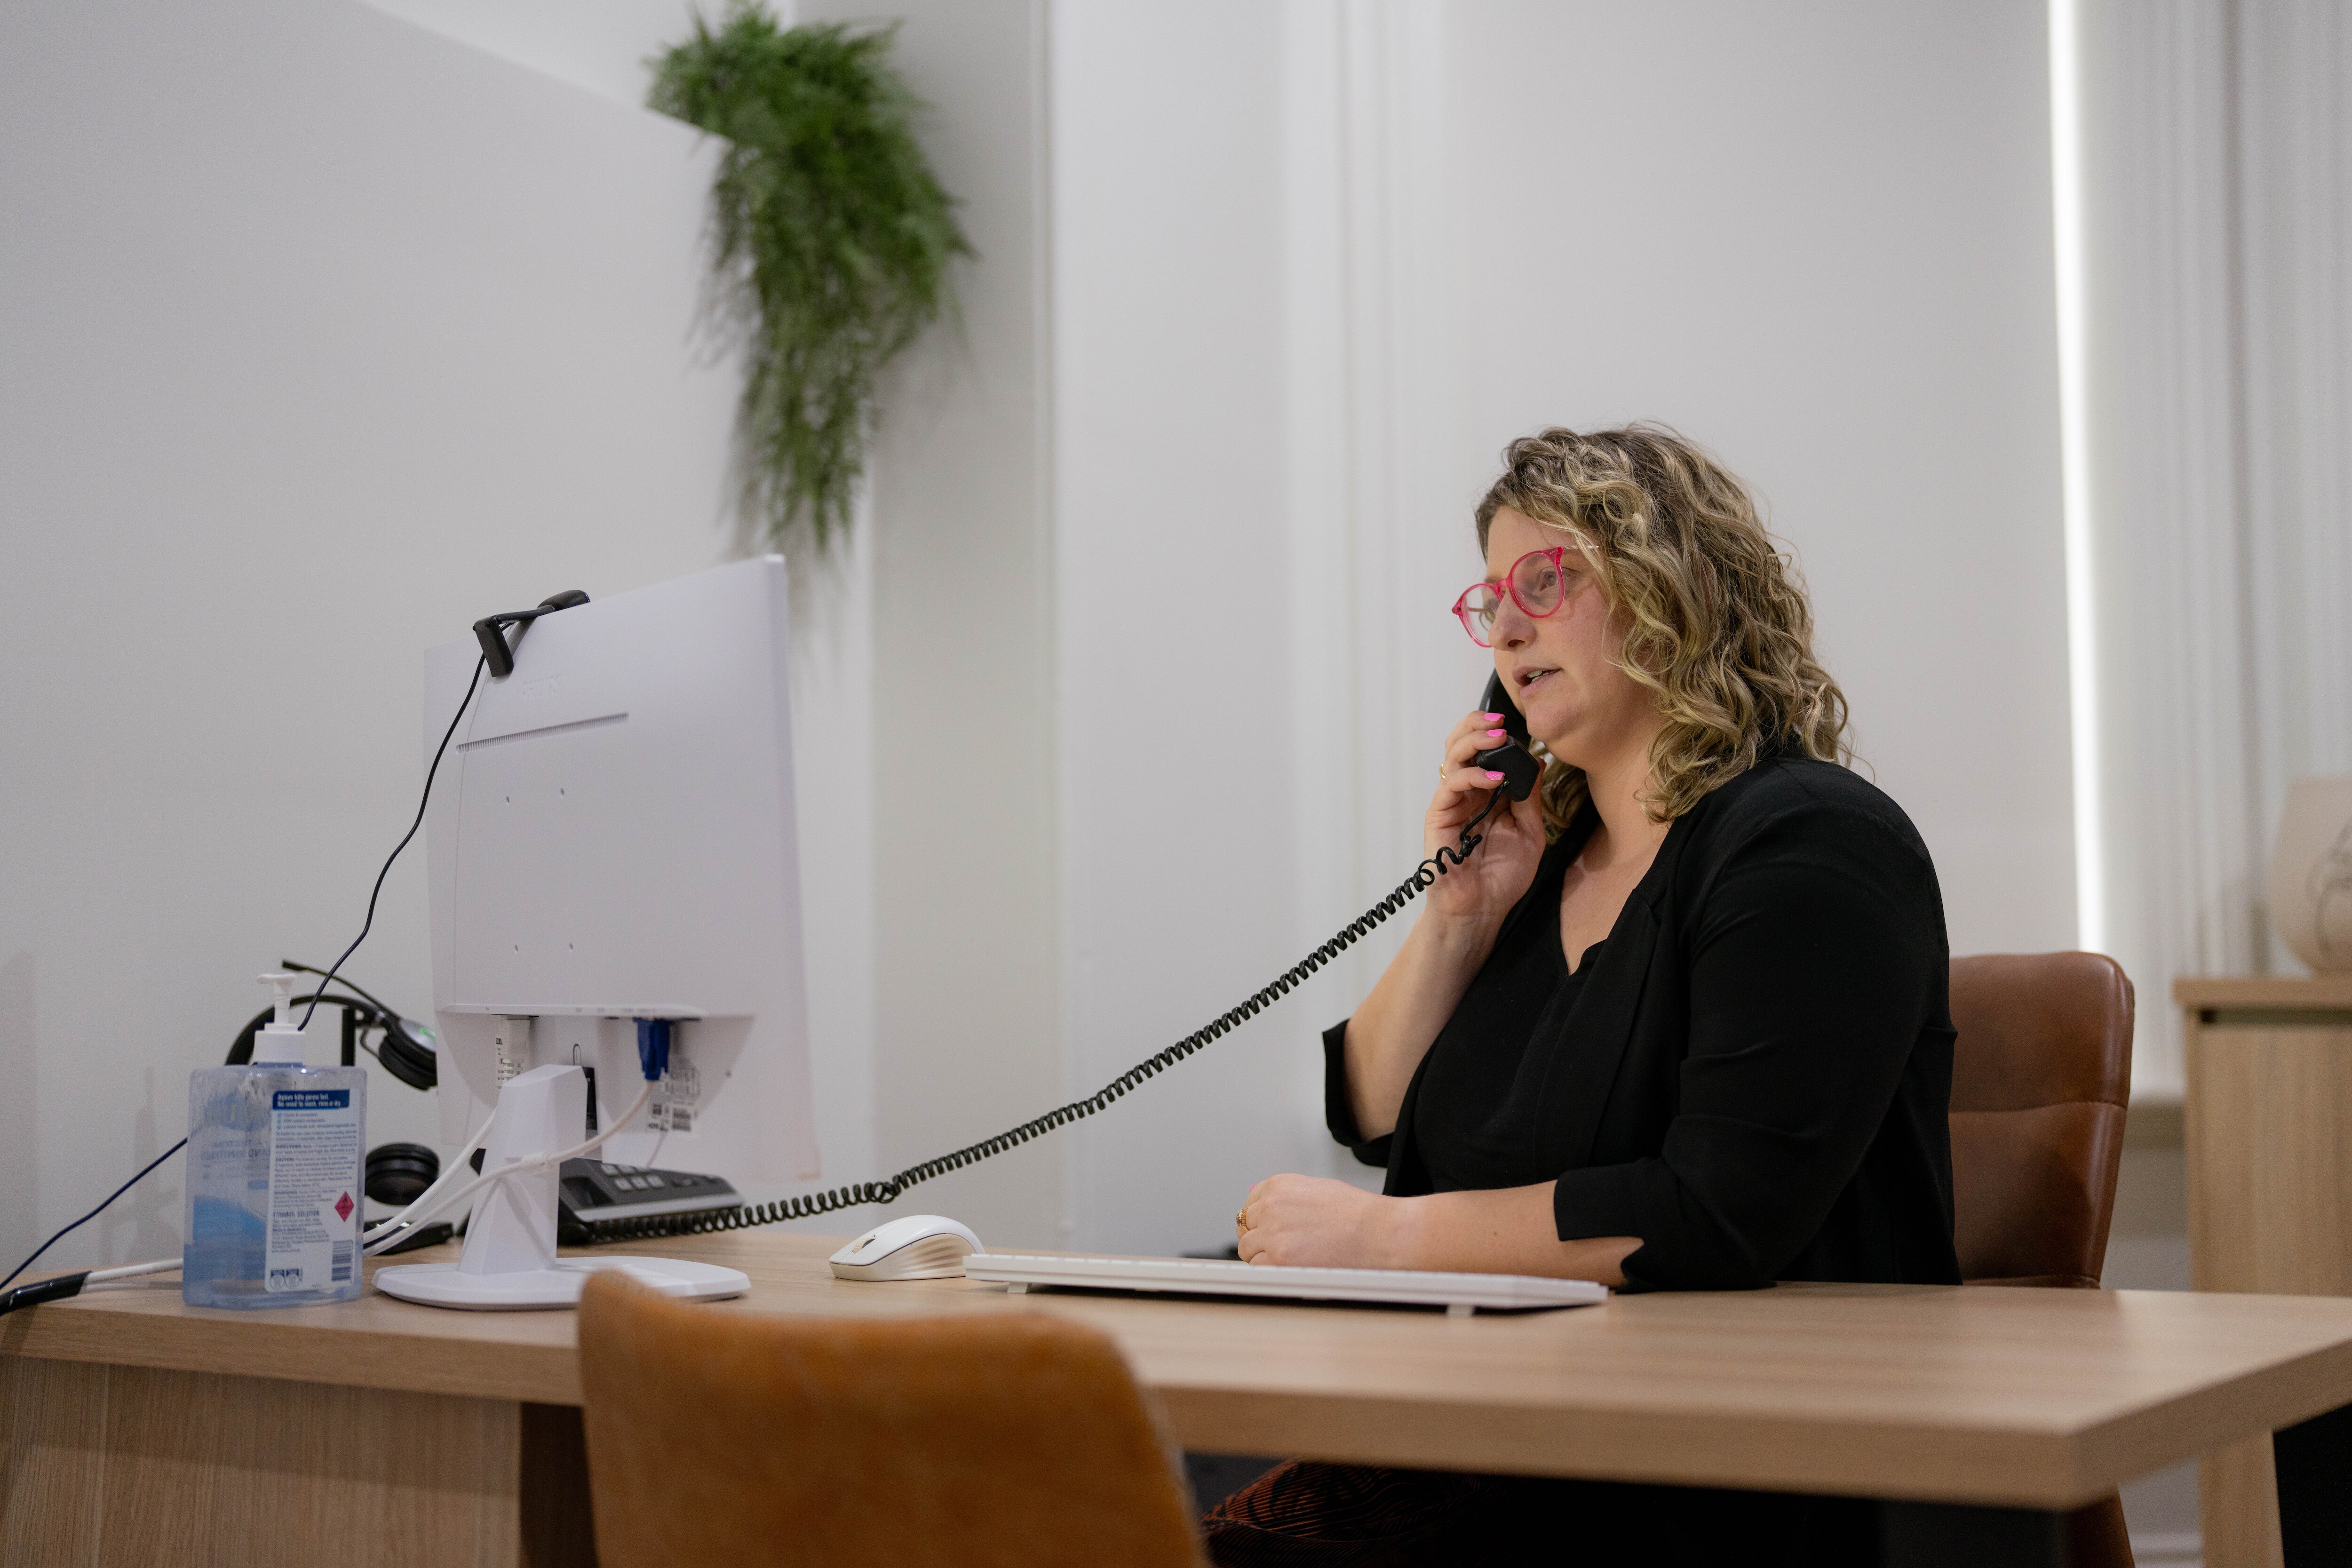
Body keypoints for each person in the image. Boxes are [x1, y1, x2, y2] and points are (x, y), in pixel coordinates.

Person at [1205, 425, 1961, 1568]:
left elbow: (1713, 1209)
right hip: (1512, 1424)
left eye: (1545, 583)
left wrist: (1385, 1236)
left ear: (1676, 591)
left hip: (1730, 1463)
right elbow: (1372, 1112)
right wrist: (1457, 917)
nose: (1507, 628)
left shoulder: (1809, 844)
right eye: (1491, 600)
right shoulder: (1544, 862)